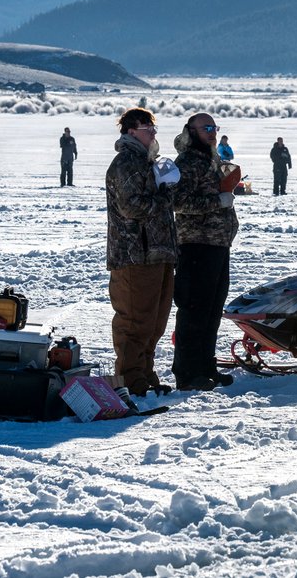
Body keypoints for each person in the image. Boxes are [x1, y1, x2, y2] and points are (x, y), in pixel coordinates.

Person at [105, 107, 178, 396]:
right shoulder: (126, 163)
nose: (153, 134)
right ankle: (129, 378)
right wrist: (165, 194)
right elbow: (131, 206)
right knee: (135, 321)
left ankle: (145, 373)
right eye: (148, 129)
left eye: (154, 129)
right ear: (131, 131)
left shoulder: (147, 163)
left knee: (155, 321)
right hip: (134, 255)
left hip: (158, 253)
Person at [171, 114, 239, 391]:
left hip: (218, 244)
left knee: (212, 311)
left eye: (214, 128)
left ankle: (205, 366)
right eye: (206, 128)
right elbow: (177, 201)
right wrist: (217, 201)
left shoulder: (212, 160)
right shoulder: (186, 162)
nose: (212, 133)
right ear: (192, 131)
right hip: (196, 244)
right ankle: (187, 373)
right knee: (194, 310)